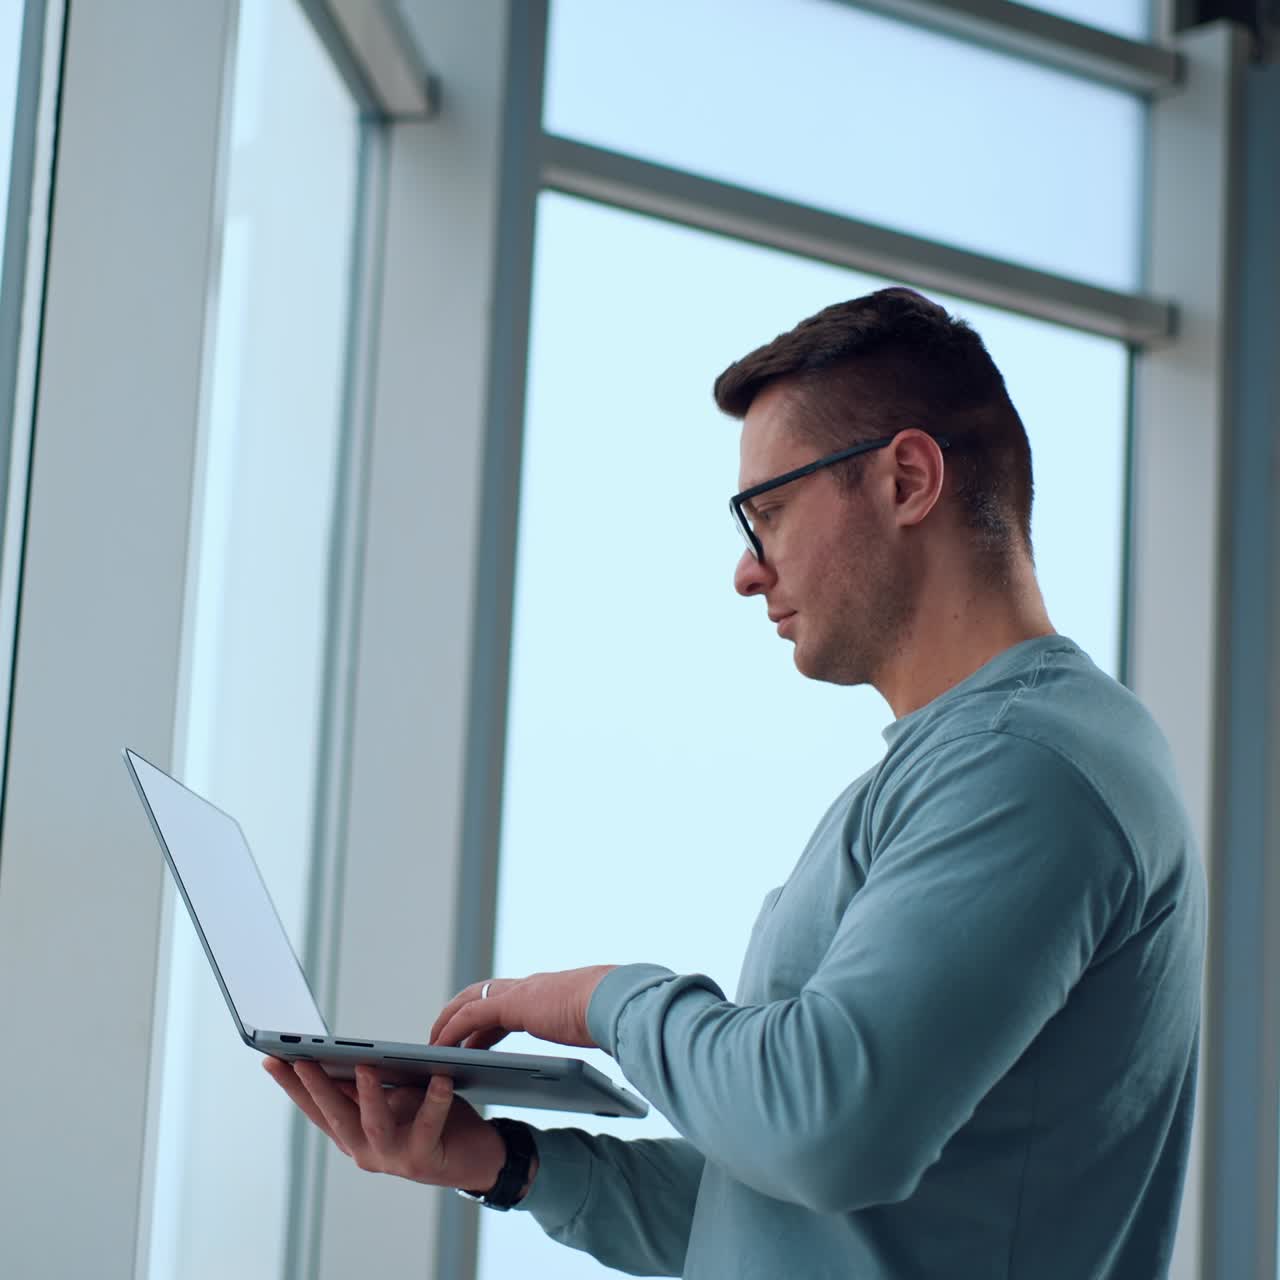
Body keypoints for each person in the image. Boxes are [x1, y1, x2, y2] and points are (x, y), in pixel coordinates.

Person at [266, 287, 1206, 1278]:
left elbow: (823, 1129)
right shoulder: (966, 764)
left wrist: (600, 1002)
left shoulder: (1024, 766)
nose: (746, 571)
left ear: (907, 478)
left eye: (767, 513)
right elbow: (790, 1209)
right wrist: (508, 1160)